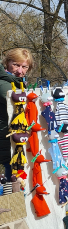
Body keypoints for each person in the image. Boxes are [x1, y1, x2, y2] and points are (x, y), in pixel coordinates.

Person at [1, 48, 32, 179]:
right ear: (7, 63)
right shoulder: (4, 84)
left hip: (15, 138)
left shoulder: (18, 84)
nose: (20, 71)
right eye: (16, 65)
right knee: (13, 178)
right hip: (6, 138)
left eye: (24, 67)